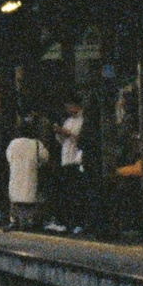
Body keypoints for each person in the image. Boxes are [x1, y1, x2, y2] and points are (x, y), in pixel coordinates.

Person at [5, 122, 50, 230]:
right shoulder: (36, 144)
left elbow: (8, 157)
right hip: (31, 174)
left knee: (16, 198)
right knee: (29, 198)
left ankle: (15, 220)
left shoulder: (13, 143)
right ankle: (30, 220)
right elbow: (45, 157)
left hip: (15, 174)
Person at [55, 99, 87, 232]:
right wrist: (59, 133)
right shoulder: (68, 121)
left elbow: (82, 139)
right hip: (66, 159)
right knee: (67, 193)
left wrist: (68, 133)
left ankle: (78, 223)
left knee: (76, 192)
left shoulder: (83, 121)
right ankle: (68, 222)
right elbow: (62, 141)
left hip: (76, 160)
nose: (67, 110)